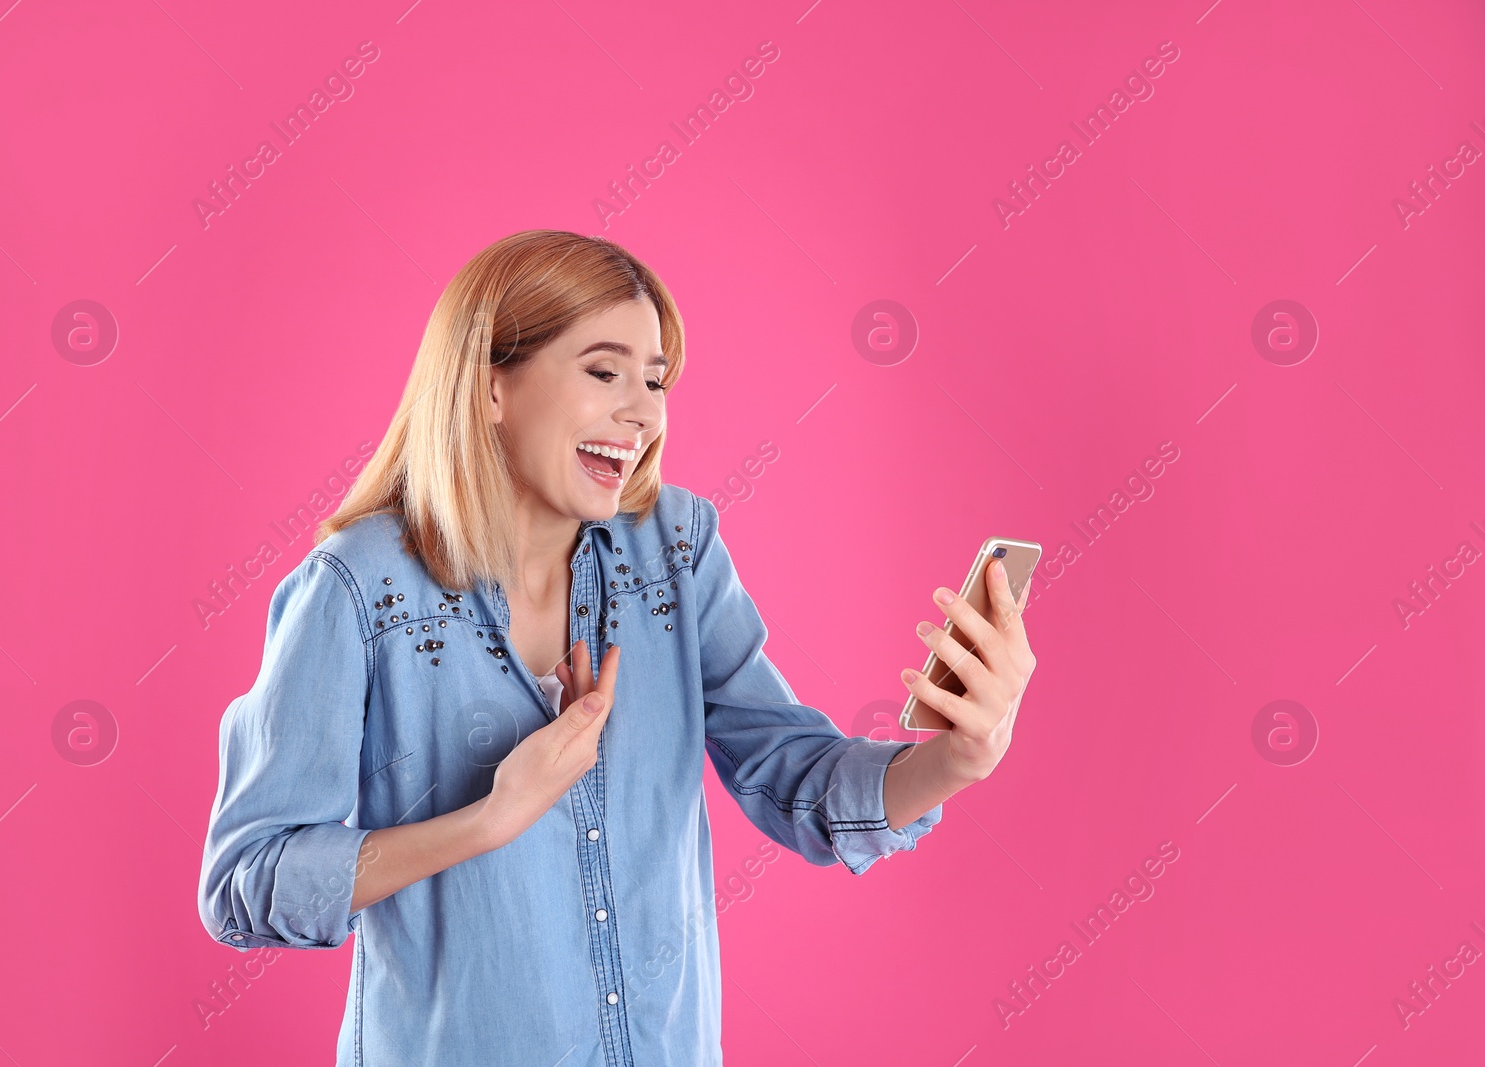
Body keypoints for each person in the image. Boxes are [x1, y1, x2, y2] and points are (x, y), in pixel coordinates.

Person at [196, 229, 1038, 1065]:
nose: (643, 412)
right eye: (604, 372)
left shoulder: (675, 549)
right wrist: (491, 818)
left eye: (655, 380)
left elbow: (797, 778)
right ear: (491, 387)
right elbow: (246, 882)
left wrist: (959, 757)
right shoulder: (359, 588)